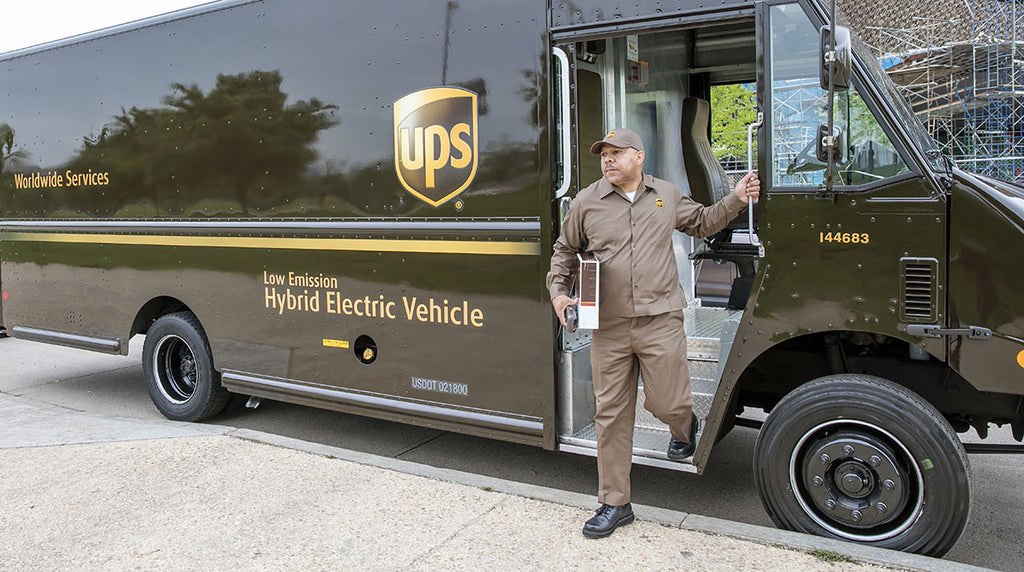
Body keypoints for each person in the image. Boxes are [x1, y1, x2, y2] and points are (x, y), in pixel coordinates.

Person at [546, 128, 760, 539]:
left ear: (639, 157)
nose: (607, 160)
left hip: (661, 319)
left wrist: (736, 198)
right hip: (607, 325)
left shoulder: (665, 194)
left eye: (616, 153)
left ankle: (683, 427)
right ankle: (615, 503)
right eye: (603, 154)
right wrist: (559, 293)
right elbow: (564, 249)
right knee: (609, 415)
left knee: (668, 402)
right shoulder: (588, 201)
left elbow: (701, 222)